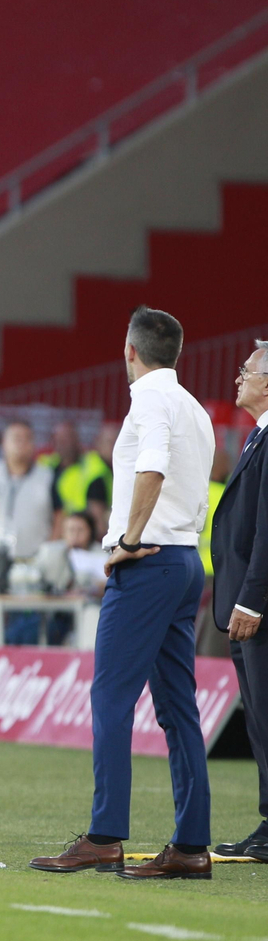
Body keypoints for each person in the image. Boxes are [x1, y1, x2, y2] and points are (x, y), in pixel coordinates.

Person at [30, 306, 215, 880]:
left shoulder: (149, 400)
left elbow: (152, 467)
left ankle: (105, 836)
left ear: (129, 351)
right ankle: (189, 846)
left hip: (149, 561)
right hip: (185, 561)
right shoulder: (195, 409)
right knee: (179, 709)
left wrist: (129, 540)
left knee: (111, 697)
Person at [210, 340, 268, 861]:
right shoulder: (259, 436)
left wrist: (252, 600)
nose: (238, 379)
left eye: (247, 371)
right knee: (259, 716)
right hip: (244, 605)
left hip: (258, 609)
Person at [0, 420, 60, 643]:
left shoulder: (47, 476)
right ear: (3, 443)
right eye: (16, 439)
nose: (21, 445)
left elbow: (59, 516)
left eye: (27, 439)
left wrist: (48, 553)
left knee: (31, 630)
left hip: (32, 567)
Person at [40, 420, 112, 529]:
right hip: (49, 534)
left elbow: (98, 517)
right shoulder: (45, 465)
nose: (63, 443)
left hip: (82, 535)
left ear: (77, 440)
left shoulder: (93, 468)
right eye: (59, 439)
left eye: (67, 439)